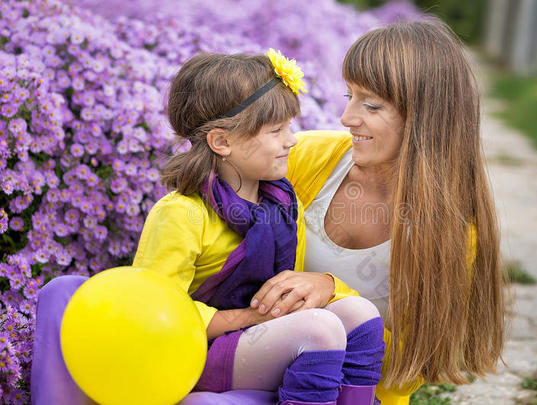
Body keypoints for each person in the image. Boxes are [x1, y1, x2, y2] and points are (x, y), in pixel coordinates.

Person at [30, 50, 386, 405]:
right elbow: (150, 312)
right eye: (277, 130)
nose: (291, 140)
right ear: (222, 142)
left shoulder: (281, 205)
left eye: (290, 126)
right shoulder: (182, 214)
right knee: (319, 331)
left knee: (361, 315)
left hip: (252, 338)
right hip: (190, 351)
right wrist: (246, 316)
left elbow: (281, 289)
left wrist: (297, 300)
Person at [247, 20, 506, 405]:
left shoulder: (454, 231)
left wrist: (334, 292)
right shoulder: (305, 157)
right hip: (252, 370)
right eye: (349, 95)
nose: (347, 117)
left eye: (370, 104)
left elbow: (406, 366)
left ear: (425, 117)